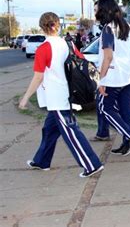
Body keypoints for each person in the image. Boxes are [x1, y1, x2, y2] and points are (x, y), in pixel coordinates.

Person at [19, 12, 104, 178]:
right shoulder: (67, 43)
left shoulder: (44, 48)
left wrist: (25, 98)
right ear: (58, 25)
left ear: (42, 27)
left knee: (71, 132)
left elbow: (38, 76)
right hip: (65, 93)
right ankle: (42, 161)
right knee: (49, 130)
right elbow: (84, 63)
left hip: (56, 96)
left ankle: (92, 164)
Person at [95, 0, 130, 156]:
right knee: (125, 110)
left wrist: (101, 80)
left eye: (96, 9)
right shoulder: (126, 26)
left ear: (104, 10)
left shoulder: (108, 29)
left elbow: (108, 57)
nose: (95, 12)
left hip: (113, 77)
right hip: (128, 75)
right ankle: (128, 144)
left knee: (105, 108)